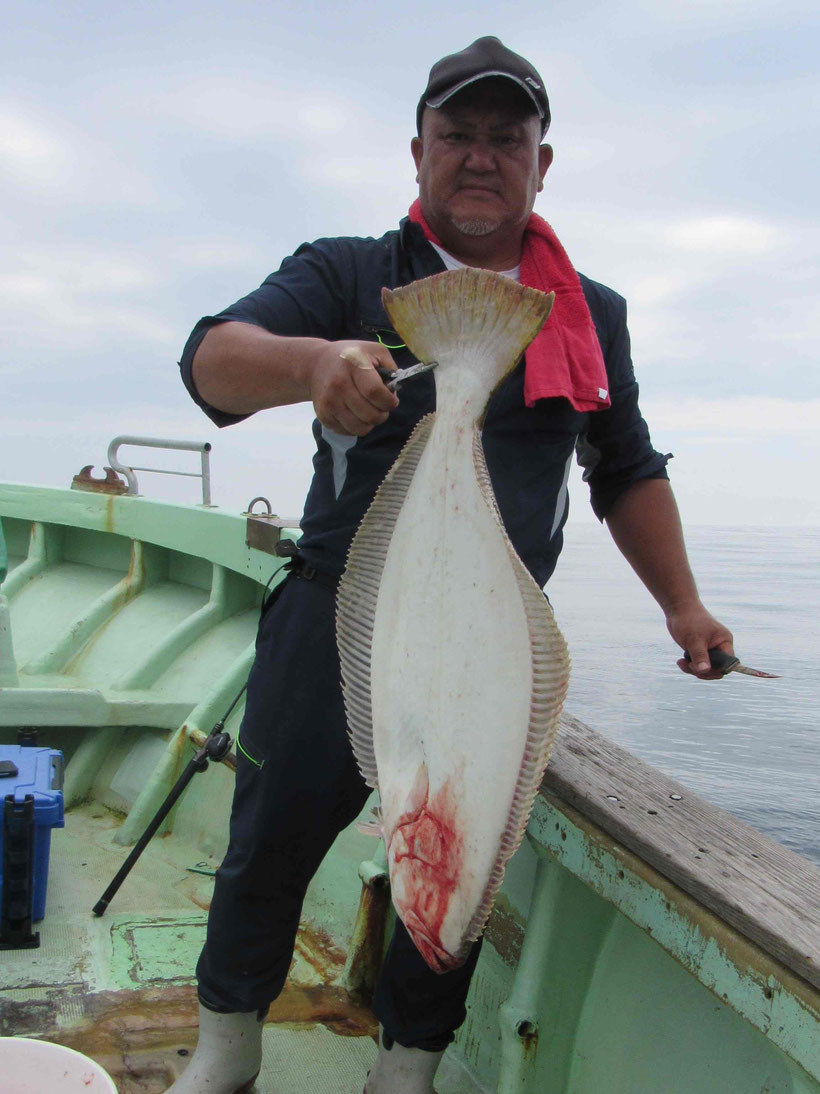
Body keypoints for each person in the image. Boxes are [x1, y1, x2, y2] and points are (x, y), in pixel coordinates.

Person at [170, 36, 734, 1094]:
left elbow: (625, 468)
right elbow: (211, 360)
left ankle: (407, 1063)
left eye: (505, 138)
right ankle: (226, 1046)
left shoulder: (588, 314)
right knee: (271, 834)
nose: (480, 157)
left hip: (490, 634)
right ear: (417, 149)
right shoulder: (347, 271)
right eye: (457, 135)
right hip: (340, 609)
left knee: (458, 864)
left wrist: (683, 604)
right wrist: (314, 363)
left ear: (541, 162)